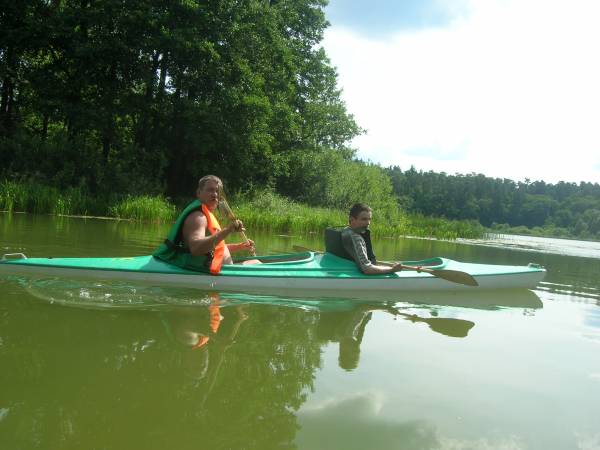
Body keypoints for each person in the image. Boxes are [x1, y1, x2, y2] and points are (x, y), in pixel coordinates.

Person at [153, 175, 258, 274]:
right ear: (199, 193)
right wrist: (228, 230)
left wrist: (240, 247)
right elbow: (196, 248)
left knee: (255, 263)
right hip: (204, 271)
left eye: (217, 191)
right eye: (210, 190)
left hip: (220, 270)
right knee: (256, 263)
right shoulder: (198, 217)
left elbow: (212, 248)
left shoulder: (206, 214)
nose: (215, 194)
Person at [341, 203, 404, 275]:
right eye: (364, 219)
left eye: (369, 219)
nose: (368, 223)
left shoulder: (344, 230)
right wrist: (392, 269)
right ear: (352, 220)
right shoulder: (355, 238)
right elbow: (367, 269)